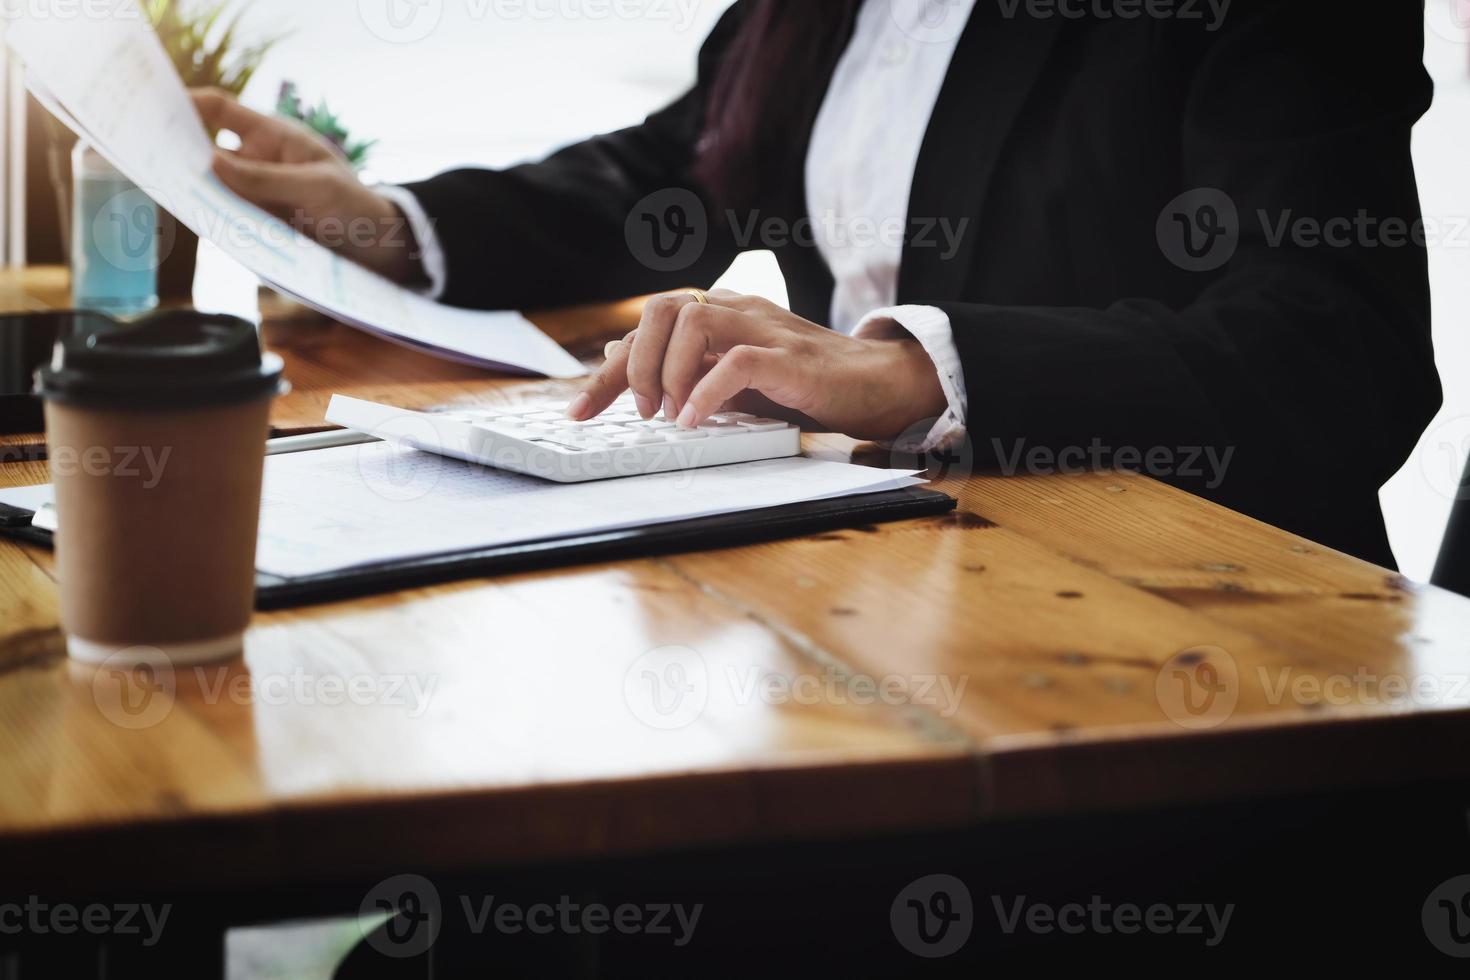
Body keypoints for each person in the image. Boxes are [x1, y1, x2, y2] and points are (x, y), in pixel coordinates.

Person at [191, 0, 1439, 568]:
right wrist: (392, 223)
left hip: (1189, 651)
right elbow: (678, 163)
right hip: (867, 575)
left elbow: (1339, 344)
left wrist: (907, 368)